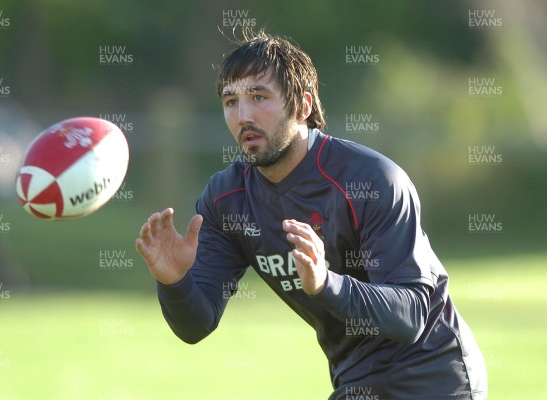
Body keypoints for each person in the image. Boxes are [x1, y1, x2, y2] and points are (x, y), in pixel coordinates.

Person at [136, 29, 488, 400]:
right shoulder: (228, 199)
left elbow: (411, 315)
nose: (243, 116)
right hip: (355, 380)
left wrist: (326, 283)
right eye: (230, 102)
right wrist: (174, 283)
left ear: (302, 107)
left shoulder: (371, 179)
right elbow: (196, 325)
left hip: (434, 376)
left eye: (259, 97)